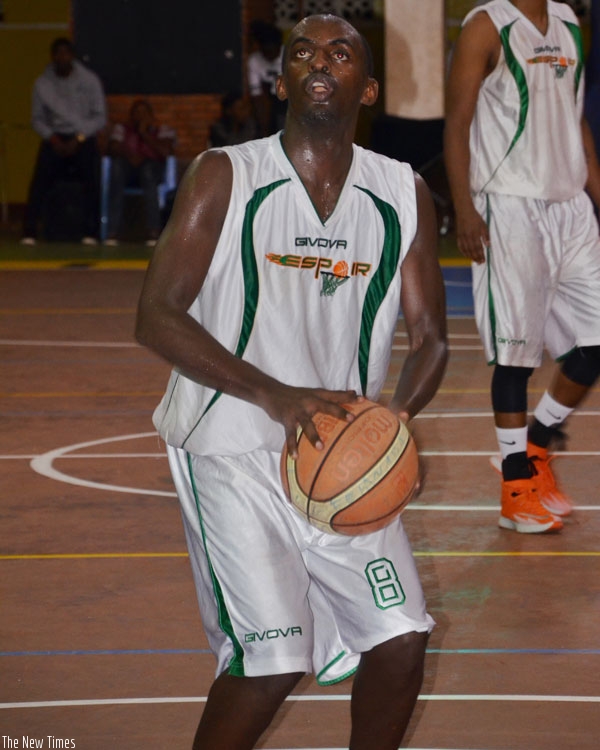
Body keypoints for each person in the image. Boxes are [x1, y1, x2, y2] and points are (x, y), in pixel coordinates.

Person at [136, 13, 448, 749]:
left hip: (337, 458)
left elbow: (431, 336)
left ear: (367, 87)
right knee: (272, 660)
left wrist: (395, 420)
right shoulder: (227, 174)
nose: (318, 61)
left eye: (340, 54)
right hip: (232, 446)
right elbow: (156, 317)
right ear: (279, 82)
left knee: (401, 640)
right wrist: (276, 395)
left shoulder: (403, 194)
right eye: (301, 51)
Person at [444, 0, 600, 534]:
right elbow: (458, 120)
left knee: (595, 343)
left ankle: (535, 446)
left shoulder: (572, 24)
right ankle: (516, 488)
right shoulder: (487, 25)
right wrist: (465, 207)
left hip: (570, 204)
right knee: (515, 356)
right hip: (509, 203)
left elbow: (573, 117)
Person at [21, 37, 106, 245]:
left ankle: (91, 232)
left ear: (72, 56)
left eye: (66, 53)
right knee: (39, 182)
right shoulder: (42, 84)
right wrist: (53, 138)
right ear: (52, 57)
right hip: (55, 137)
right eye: (58, 54)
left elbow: (100, 117)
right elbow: (37, 119)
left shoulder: (89, 80)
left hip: (82, 137)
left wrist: (79, 138)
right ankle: (30, 231)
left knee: (91, 181)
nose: (62, 58)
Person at [104, 99, 177, 246]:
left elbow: (165, 151)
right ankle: (112, 231)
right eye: (137, 113)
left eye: (144, 113)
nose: (140, 116)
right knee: (117, 168)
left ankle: (154, 231)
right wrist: (130, 155)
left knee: (147, 171)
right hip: (127, 173)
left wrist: (144, 134)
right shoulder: (122, 129)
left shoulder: (163, 130)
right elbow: (112, 148)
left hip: (153, 174)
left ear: (151, 115)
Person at [247, 19, 286, 137]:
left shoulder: (290, 55)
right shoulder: (254, 61)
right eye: (266, 52)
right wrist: (263, 125)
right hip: (272, 99)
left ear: (280, 46)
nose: (270, 56)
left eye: (273, 51)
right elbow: (256, 96)